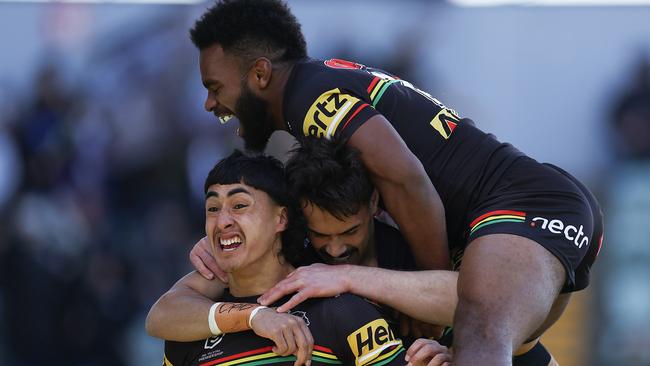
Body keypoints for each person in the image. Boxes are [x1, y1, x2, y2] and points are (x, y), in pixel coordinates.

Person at [187, 0, 604, 364]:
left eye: (215, 87)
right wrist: (236, 227)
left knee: (478, 328)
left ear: (259, 74)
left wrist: (431, 298)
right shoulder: (317, 87)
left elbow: (407, 179)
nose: (210, 103)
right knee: (501, 347)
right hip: (519, 216)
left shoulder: (309, 100)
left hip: (527, 207)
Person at [149, 138, 556, 365]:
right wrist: (232, 246)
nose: (336, 247)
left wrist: (345, 277)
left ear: (375, 205)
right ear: (293, 220)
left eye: (349, 231)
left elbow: (487, 305)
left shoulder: (412, 250)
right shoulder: (286, 251)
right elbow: (164, 314)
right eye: (213, 208)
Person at [160, 150, 434, 366]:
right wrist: (254, 315)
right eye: (213, 208)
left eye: (239, 205)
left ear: (281, 218)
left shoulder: (344, 313)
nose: (223, 221)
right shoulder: (190, 330)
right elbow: (161, 313)